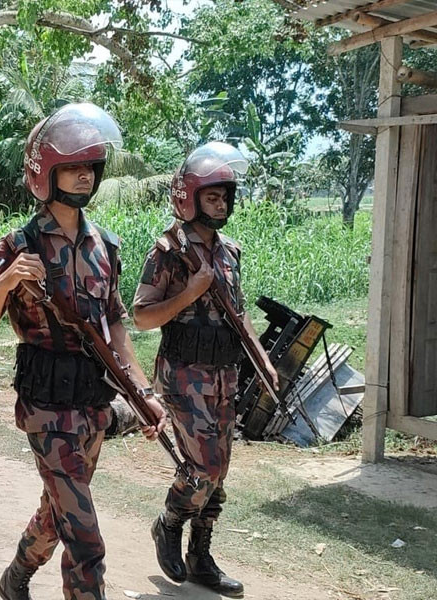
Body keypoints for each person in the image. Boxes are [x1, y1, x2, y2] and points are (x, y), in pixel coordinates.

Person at [0, 103, 167, 600]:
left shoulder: (105, 248)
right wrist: (9, 279)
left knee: (58, 513)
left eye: (89, 167)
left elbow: (115, 325)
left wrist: (143, 391)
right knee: (85, 538)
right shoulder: (20, 244)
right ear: (47, 172)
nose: (83, 177)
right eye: (73, 167)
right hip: (46, 407)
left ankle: (16, 575)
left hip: (92, 404)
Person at [133, 142, 278, 598]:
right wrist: (191, 292)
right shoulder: (169, 252)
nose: (221, 204)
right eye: (212, 197)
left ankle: (201, 558)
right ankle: (169, 522)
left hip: (224, 372)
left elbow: (237, 310)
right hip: (183, 373)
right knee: (203, 467)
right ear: (190, 198)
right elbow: (141, 315)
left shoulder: (231, 252)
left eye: (225, 198)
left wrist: (262, 355)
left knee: (220, 474)